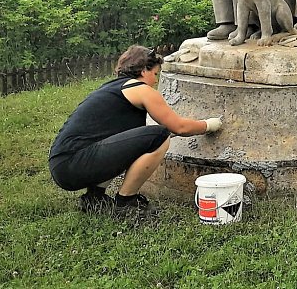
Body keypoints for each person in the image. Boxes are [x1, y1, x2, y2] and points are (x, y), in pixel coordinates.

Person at [48, 46, 222, 213]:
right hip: (75, 164)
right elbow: (179, 127)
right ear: (144, 70)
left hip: (63, 165)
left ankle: (95, 198)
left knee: (138, 140)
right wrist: (208, 125)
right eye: (155, 74)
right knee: (159, 135)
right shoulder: (140, 89)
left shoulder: (112, 88)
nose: (155, 81)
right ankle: (127, 202)